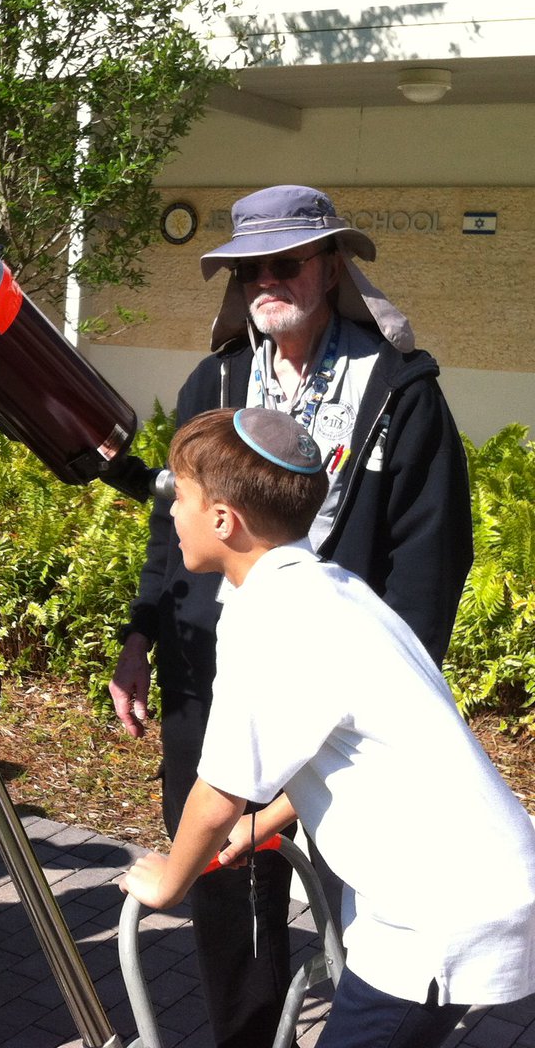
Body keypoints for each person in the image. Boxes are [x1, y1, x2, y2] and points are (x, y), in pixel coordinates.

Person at [109, 185, 473, 1046]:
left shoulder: (399, 394)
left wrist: (388, 688)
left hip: (338, 698)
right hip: (213, 674)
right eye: (247, 270)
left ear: (331, 267)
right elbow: (173, 524)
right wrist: (138, 637)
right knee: (227, 890)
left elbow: (430, 564)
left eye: (285, 263)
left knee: (355, 886)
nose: (264, 281)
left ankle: (366, 1008)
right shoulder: (219, 379)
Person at [119, 407, 535, 1048]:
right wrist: (263, 823)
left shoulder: (271, 620)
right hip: (486, 881)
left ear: (224, 518)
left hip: (438, 915)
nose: (170, 510)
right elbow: (333, 746)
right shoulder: (333, 588)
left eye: (182, 494)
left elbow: (218, 793)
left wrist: (169, 881)